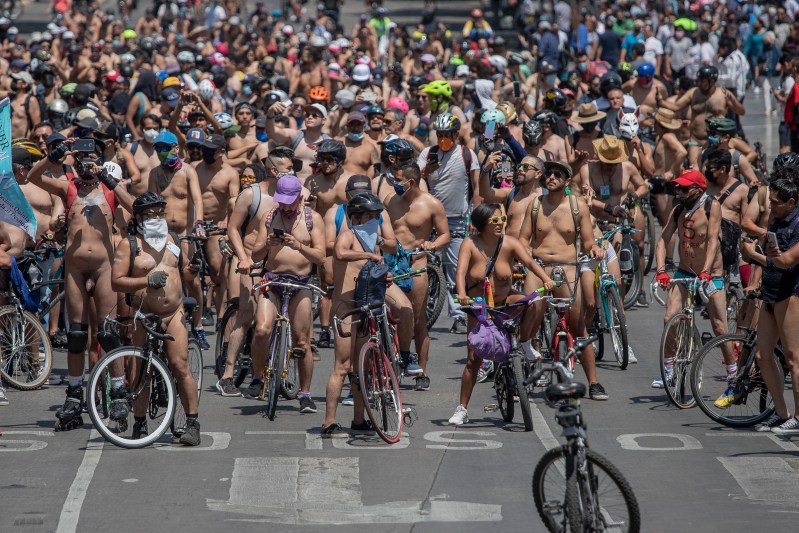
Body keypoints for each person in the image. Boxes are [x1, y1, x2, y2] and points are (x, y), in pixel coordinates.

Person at [27, 137, 135, 431]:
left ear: (100, 160)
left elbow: (135, 208)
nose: (87, 163)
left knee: (109, 334)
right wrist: (56, 154)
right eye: (82, 158)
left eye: (92, 158)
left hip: (104, 269)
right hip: (75, 270)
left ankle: (118, 392)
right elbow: (34, 176)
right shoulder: (68, 187)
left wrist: (109, 181)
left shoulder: (110, 190)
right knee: (76, 336)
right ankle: (74, 395)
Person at [449, 203, 555, 426]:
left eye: (502, 220)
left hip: (506, 301)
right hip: (480, 308)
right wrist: (461, 293)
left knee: (532, 303)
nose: (499, 225)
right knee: (473, 360)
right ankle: (462, 408)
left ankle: (524, 343)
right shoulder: (470, 244)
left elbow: (528, 262)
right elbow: (460, 272)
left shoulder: (509, 243)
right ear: (482, 224)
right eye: (494, 221)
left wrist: (545, 278)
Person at [110, 192, 200, 445]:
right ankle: (139, 423)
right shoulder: (129, 244)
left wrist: (191, 270)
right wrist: (145, 280)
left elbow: (181, 272)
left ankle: (193, 423)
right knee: (140, 372)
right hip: (143, 315)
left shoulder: (173, 238)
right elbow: (116, 281)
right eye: (150, 214)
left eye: (160, 212)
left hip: (173, 313)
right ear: (138, 217)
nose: (156, 217)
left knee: (180, 365)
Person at [322, 192, 398, 437]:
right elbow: (340, 253)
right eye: (370, 216)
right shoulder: (348, 235)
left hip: (366, 305)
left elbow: (376, 266)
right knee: (342, 366)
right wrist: (368, 255)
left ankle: (359, 419)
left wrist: (383, 273)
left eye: (376, 216)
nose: (374, 220)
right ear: (356, 218)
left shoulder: (374, 239)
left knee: (360, 366)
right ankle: (329, 421)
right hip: (346, 308)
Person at [247, 175, 325, 412]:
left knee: (302, 342)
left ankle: (305, 393)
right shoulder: (270, 216)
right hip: (273, 280)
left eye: (290, 203)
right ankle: (259, 376)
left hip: (300, 283)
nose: (286, 207)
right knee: (262, 329)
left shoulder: (313, 219)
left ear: (300, 198)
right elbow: (256, 256)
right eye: (283, 202)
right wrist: (268, 245)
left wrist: (298, 246)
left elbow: (320, 256)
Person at [653, 170, 733, 394]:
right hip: (684, 272)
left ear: (698, 189)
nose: (679, 191)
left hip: (711, 274)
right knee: (671, 317)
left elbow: (712, 241)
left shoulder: (711, 206)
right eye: (678, 187)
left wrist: (706, 271)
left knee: (719, 327)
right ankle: (668, 368)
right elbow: (662, 240)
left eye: (684, 188)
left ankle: (733, 376)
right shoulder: (679, 208)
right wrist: (661, 270)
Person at [381, 162, 451, 390]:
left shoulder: (431, 204)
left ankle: (421, 369)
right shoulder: (390, 200)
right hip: (390, 263)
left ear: (411, 182)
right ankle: (388, 364)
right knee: (387, 316)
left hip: (415, 263)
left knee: (418, 320)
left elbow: (445, 236)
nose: (393, 181)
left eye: (398, 178)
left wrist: (432, 244)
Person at [741, 178, 799, 434]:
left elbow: (786, 260)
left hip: (791, 293)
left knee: (793, 358)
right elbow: (768, 252)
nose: (770, 207)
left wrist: (755, 255)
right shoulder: (775, 219)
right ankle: (780, 411)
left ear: (791, 202)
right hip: (770, 291)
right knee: (763, 355)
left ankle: (798, 416)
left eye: (776, 203)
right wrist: (751, 252)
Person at [418, 112, 480, 334]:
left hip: (457, 218)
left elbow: (476, 187)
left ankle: (459, 316)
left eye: (447, 135)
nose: (443, 138)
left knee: (455, 269)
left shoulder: (467, 155)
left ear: (456, 135)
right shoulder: (428, 154)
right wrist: (427, 171)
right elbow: (416, 180)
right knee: (422, 264)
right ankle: (419, 310)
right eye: (440, 134)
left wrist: (475, 216)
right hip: (430, 219)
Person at [658, 65, 745, 169]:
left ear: (712, 81)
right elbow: (676, 106)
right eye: (699, 80)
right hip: (696, 140)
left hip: (717, 140)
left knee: (718, 167)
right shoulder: (693, 92)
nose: (700, 83)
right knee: (694, 169)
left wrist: (733, 101)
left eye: (703, 81)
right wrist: (661, 101)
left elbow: (741, 112)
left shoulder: (723, 94)